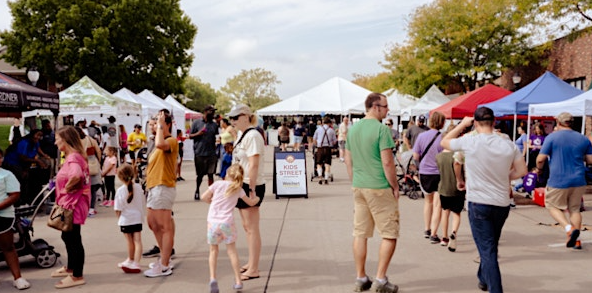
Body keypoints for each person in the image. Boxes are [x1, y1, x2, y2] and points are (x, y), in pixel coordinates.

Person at [441, 107, 527, 293]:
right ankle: (483, 278)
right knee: (489, 245)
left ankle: (495, 288)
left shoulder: (471, 141)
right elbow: (522, 171)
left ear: (476, 123)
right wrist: (504, 177)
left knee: (487, 250)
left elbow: (445, 142)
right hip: (500, 203)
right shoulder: (508, 144)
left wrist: (462, 124)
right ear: (494, 122)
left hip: (478, 201)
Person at [344, 92, 400, 293]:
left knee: (360, 233)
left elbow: (348, 160)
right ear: (375, 107)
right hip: (378, 186)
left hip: (359, 186)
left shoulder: (353, 129)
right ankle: (380, 279)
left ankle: (361, 277)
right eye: (386, 106)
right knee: (389, 233)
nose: (388, 110)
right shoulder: (381, 130)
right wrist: (394, 185)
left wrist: (354, 181)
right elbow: (387, 162)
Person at [536, 112, 592, 250]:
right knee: (574, 209)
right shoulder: (583, 139)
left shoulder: (552, 138)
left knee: (552, 205)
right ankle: (576, 240)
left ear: (558, 122)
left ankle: (569, 229)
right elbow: (590, 160)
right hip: (578, 179)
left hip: (558, 179)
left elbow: (540, 159)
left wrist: (539, 170)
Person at [202, 164, 260, 293]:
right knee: (232, 252)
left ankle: (213, 278)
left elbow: (204, 197)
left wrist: (213, 203)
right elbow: (250, 203)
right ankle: (238, 281)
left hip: (213, 222)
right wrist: (257, 198)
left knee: (213, 251)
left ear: (227, 174)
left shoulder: (217, 184)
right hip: (227, 223)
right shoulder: (239, 189)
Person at [227, 104, 265, 281]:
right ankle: (251, 263)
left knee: (252, 228)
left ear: (245, 116)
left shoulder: (253, 135)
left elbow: (254, 164)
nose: (232, 121)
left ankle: (254, 268)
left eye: (235, 118)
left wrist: (251, 190)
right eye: (231, 118)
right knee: (246, 227)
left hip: (251, 185)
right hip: (241, 184)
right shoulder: (242, 135)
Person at [51, 126, 91, 289]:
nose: (55, 142)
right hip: (71, 203)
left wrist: (67, 188)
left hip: (73, 204)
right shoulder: (73, 156)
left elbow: (77, 175)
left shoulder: (73, 157)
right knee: (68, 237)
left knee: (73, 238)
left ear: (66, 140)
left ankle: (77, 275)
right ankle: (71, 268)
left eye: (57, 139)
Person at [143, 110, 178, 277]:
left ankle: (164, 264)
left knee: (164, 226)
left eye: (157, 123)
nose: (154, 127)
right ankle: (165, 256)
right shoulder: (158, 141)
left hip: (163, 186)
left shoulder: (171, 140)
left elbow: (160, 145)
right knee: (153, 224)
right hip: (154, 187)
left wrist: (161, 125)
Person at [0, 148, 31, 290]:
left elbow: (14, 195)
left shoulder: (7, 175)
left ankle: (18, 277)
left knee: (8, 247)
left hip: (3, 216)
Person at [413, 111, 445, 244]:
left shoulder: (421, 136)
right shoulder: (443, 138)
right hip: (439, 173)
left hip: (424, 172)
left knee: (428, 202)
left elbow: (415, 156)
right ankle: (434, 233)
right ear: (442, 123)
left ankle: (426, 229)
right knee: (438, 205)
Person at [114, 163, 146, 273]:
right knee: (138, 241)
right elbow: (142, 201)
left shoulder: (120, 191)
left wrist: (118, 218)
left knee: (129, 241)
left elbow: (118, 208)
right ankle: (136, 262)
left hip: (126, 220)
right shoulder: (138, 187)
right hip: (137, 218)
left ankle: (130, 259)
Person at [436, 144, 465, 252]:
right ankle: (454, 232)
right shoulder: (459, 155)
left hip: (444, 187)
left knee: (445, 212)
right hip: (458, 188)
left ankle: (444, 237)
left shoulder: (438, 156)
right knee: (456, 213)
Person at [189, 105, 219, 200]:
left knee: (211, 174)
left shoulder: (214, 125)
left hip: (211, 153)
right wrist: (198, 134)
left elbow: (217, 137)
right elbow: (190, 136)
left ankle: (211, 193)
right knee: (200, 175)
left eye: (214, 112)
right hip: (199, 153)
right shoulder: (196, 123)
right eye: (211, 111)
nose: (213, 113)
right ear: (205, 112)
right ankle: (197, 190)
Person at [76, 127, 102, 217]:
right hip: (93, 163)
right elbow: (98, 151)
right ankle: (91, 209)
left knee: (83, 189)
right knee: (93, 189)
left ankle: (84, 208)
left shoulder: (75, 142)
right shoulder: (90, 140)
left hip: (81, 165)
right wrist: (98, 162)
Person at [313, 117, 337, 185]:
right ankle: (326, 179)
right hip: (328, 148)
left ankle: (320, 178)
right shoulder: (331, 130)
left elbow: (314, 139)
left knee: (319, 164)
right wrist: (330, 143)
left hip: (320, 148)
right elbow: (334, 141)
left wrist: (317, 145)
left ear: (323, 123)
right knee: (327, 164)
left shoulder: (318, 129)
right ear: (329, 123)